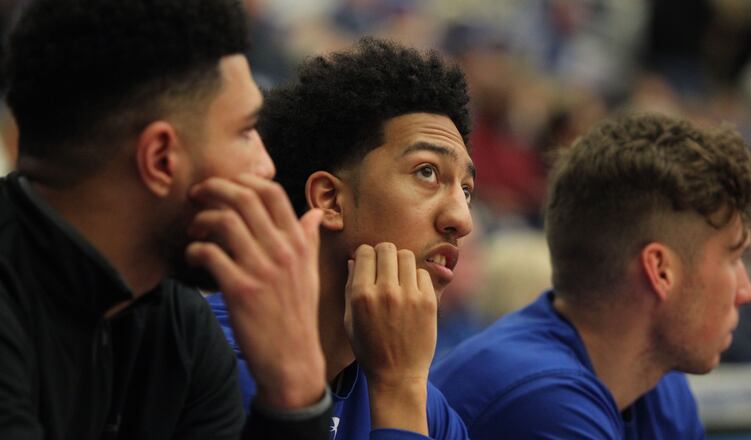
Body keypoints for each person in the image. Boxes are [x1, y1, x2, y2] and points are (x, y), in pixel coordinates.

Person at [0, 0, 332, 438]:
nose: (266, 166)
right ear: (160, 158)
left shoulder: (180, 325)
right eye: (246, 131)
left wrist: (295, 386)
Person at [431, 113, 751, 439]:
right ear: (661, 271)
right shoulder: (543, 401)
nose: (746, 291)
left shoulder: (657, 382)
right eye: (733, 259)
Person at [208, 37, 473, 439]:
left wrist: (402, 388)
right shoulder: (210, 363)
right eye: (427, 172)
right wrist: (398, 391)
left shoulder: (426, 406)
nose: (461, 219)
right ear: (330, 199)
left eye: (466, 190)